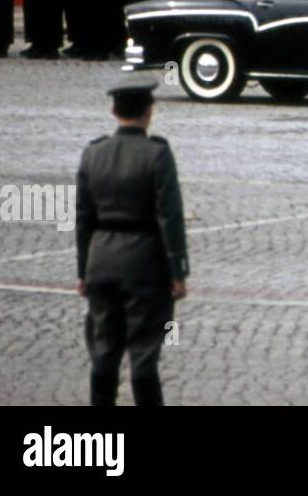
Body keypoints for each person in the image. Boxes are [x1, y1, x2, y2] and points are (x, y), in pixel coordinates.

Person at [76, 76, 189, 406]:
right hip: (144, 261)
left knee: (103, 351)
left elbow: (83, 219)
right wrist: (178, 271)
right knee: (143, 353)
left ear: (113, 110)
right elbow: (170, 217)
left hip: (101, 259)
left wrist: (83, 271)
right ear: (148, 112)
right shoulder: (157, 155)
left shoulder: (92, 153)